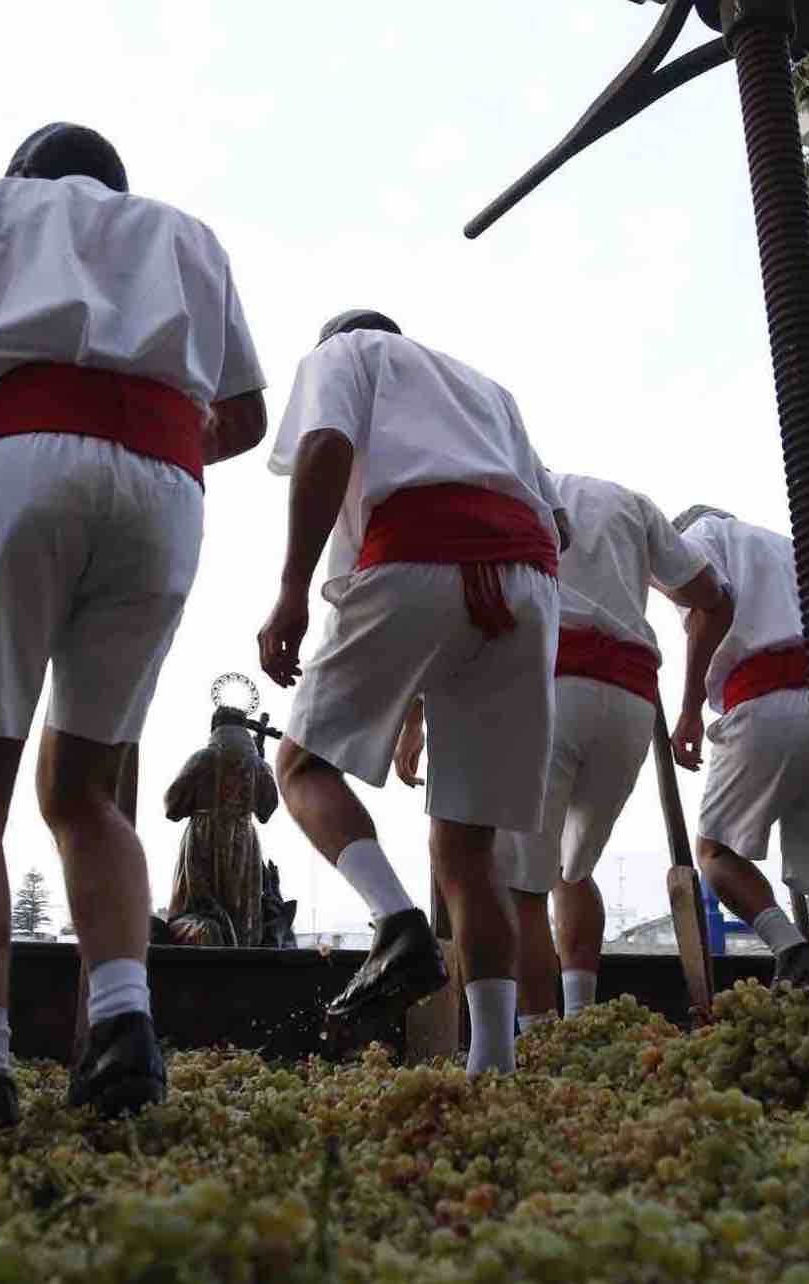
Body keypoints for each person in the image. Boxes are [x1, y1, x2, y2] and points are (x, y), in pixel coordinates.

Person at [0, 123, 267, 1125]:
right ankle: (123, 1017)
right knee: (87, 794)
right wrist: (153, 442)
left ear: (23, 177)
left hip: (24, 459)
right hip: (167, 490)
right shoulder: (186, 236)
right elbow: (248, 415)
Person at [257, 309, 564, 1077]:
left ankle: (396, 922)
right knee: (469, 847)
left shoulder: (347, 353)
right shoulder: (486, 391)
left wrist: (293, 589)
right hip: (530, 580)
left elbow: (324, 443)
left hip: (417, 550)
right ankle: (493, 1068)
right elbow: (557, 520)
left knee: (299, 766)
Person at [394, 472, 732, 1028]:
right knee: (571, 872)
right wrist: (692, 704)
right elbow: (714, 602)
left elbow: (462, 603)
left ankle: (540, 1039)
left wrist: (416, 717)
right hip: (630, 700)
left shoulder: (513, 490)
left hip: (549, 684)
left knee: (520, 886)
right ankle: (579, 1021)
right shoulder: (632, 501)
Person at [672, 504, 809, 985]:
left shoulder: (698, 538)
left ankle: (791, 949)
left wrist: (690, 709)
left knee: (714, 852)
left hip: (763, 701)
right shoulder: (784, 546)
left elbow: (706, 614)